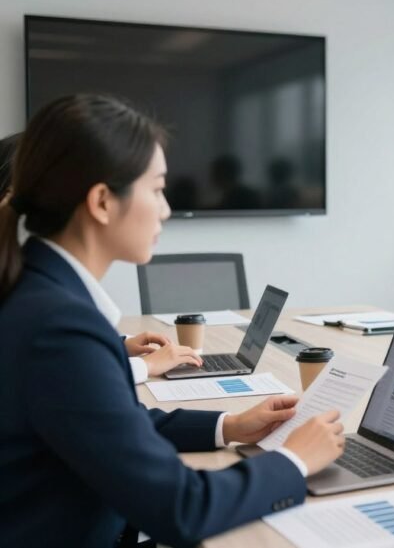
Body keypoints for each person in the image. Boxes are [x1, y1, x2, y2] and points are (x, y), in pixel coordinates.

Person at [0, 94, 346, 546]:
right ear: (103, 201)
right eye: (158, 188)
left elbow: (110, 423)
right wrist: (295, 462)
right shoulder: (60, 327)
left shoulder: (43, 294)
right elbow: (181, 509)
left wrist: (228, 426)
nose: (166, 209)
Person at [2, 132, 203, 382]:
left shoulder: (30, 278)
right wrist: (144, 366)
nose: (165, 210)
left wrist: (117, 345)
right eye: (155, 189)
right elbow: (73, 376)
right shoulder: (50, 309)